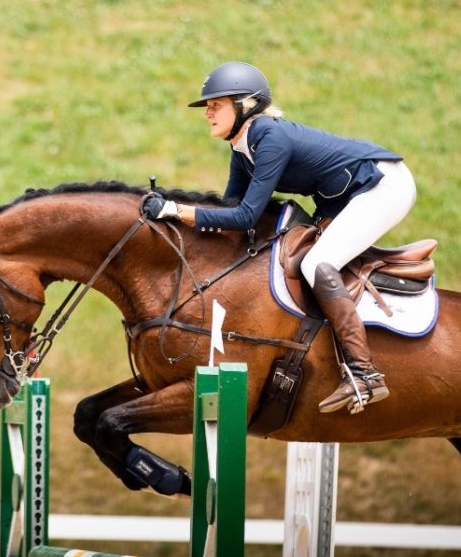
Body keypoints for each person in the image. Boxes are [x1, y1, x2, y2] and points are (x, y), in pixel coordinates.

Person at [141, 61, 417, 414]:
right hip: (341, 194)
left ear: (245, 105)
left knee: (318, 263)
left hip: (382, 184)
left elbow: (245, 217)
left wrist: (176, 211)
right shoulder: (242, 148)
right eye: (208, 107)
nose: (207, 114)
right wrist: (174, 217)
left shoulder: (270, 137)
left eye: (215, 105)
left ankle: (364, 374)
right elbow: (230, 209)